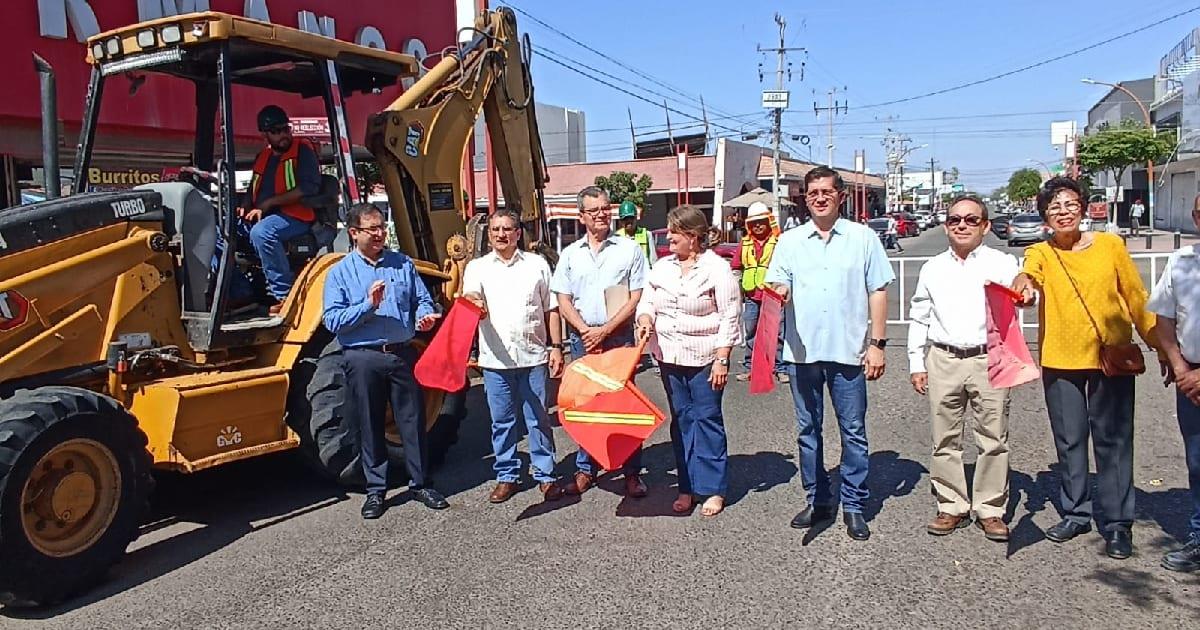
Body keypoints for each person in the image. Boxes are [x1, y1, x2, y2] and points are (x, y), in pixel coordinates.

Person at [1011, 176, 1159, 560]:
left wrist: (1163, 347)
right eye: (1054, 207)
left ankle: (1117, 523)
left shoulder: (1111, 246)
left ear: (1083, 207)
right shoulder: (1041, 251)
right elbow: (1029, 275)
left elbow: (1136, 297)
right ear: (1045, 216)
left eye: (1070, 204)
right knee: (1070, 440)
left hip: (1110, 356)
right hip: (1061, 359)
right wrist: (1022, 286)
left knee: (1113, 441)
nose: (1063, 212)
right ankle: (1076, 512)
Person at [766, 166, 894, 541]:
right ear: (804, 198)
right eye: (812, 192)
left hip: (849, 352)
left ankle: (854, 503)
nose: (819, 197)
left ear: (840, 195)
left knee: (853, 431)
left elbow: (878, 292)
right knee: (808, 431)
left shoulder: (863, 238)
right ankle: (818, 499)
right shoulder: (790, 241)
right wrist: (779, 291)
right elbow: (778, 283)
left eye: (826, 191)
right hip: (802, 353)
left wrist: (878, 345)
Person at [322, 203, 448, 519]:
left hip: (402, 353)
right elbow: (333, 321)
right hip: (363, 357)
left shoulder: (402, 264)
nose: (380, 234)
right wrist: (367, 305)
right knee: (370, 422)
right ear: (353, 233)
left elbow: (421, 299)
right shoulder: (340, 272)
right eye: (372, 229)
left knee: (412, 421)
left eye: (381, 227)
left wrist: (424, 317)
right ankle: (376, 491)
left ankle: (420, 483)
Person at [908, 196, 1019, 542]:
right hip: (943, 358)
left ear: (985, 226)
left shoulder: (1004, 263)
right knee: (945, 438)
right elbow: (919, 315)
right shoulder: (933, 267)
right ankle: (951, 504)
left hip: (990, 357)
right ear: (946, 225)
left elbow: (1026, 296)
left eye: (971, 220)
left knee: (994, 438)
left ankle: (990, 509)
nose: (962, 225)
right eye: (955, 219)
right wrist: (916, 361)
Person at [635, 205, 741, 517]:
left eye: (673, 232)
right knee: (682, 421)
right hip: (669, 357)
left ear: (692, 237)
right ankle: (687, 487)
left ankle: (712, 489)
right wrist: (644, 319)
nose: (667, 237)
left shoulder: (716, 269)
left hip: (707, 358)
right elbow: (648, 302)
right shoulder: (662, 268)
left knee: (706, 420)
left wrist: (722, 359)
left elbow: (730, 316)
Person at [461, 211, 567, 504]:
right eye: (495, 229)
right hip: (495, 361)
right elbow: (469, 298)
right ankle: (507, 475)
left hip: (533, 357)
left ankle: (545, 475)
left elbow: (551, 309)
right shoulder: (477, 268)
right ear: (489, 233)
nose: (501, 234)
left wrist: (556, 346)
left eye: (507, 229)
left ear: (518, 233)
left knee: (539, 419)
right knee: (502, 422)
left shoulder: (536, 265)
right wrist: (474, 303)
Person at [551, 186, 650, 497]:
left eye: (605, 208)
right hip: (583, 340)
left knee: (624, 405)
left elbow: (636, 297)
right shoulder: (570, 254)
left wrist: (605, 330)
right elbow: (563, 299)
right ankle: (586, 469)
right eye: (594, 210)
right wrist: (583, 330)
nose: (601, 214)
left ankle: (631, 472)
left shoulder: (629, 249)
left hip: (618, 337)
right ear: (582, 217)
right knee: (586, 406)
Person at [1147, 193, 1200, 573]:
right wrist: (1180, 367)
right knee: (1197, 463)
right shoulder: (1182, 263)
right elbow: (1163, 319)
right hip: (1191, 376)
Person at [242, 105, 322, 314]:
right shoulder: (262, 157)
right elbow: (252, 189)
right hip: (265, 215)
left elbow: (308, 187)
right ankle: (239, 295)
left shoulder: (302, 151)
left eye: (286, 129)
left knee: (262, 233)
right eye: (276, 131)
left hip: (296, 215)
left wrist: (269, 204)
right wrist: (244, 206)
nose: (284, 135)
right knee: (220, 231)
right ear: (265, 134)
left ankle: (285, 295)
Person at [735, 201, 787, 384]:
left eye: (761, 221)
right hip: (751, 295)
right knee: (751, 332)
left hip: (773, 294)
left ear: (769, 221)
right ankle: (750, 367)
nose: (758, 225)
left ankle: (780, 368)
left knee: (777, 333)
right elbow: (736, 267)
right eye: (754, 222)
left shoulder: (779, 242)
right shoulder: (745, 243)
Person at [616, 199, 658, 266]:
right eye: (625, 219)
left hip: (643, 273)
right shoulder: (617, 237)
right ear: (620, 221)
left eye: (631, 218)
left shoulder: (647, 235)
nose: (629, 221)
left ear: (636, 218)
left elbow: (653, 260)